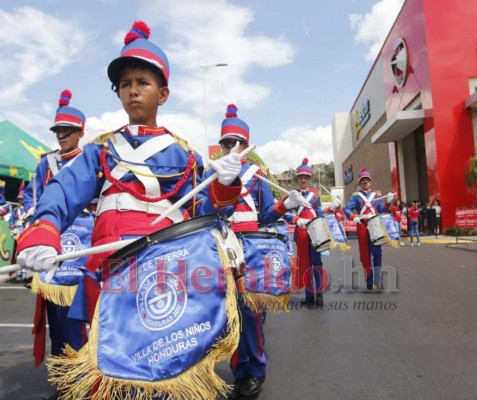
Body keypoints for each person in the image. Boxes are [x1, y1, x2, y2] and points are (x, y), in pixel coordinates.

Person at [16, 21, 243, 399]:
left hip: (165, 272)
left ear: (163, 93)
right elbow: (63, 192)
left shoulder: (184, 154)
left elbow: (208, 212)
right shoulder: (101, 151)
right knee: (110, 372)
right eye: (125, 84)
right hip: (110, 271)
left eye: (143, 82)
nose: (133, 91)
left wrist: (224, 183)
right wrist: (44, 232)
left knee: (163, 371)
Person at [215, 104, 301, 400]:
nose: (231, 148)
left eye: (236, 143)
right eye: (226, 143)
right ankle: (240, 370)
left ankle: (256, 371)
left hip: (251, 247)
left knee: (250, 313)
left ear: (246, 146)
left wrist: (284, 206)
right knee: (229, 314)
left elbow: (265, 214)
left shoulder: (258, 175)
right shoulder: (213, 172)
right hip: (223, 246)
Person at [21, 90, 89, 400]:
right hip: (53, 247)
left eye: (67, 131)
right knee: (57, 323)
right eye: (58, 131)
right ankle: (64, 382)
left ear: (80, 132)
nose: (61, 136)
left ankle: (84, 381)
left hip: (83, 251)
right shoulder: (45, 164)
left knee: (78, 321)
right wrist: (26, 224)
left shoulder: (91, 160)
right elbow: (30, 199)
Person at [283, 158, 327, 306]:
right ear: (298, 179)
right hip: (301, 231)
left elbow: (319, 211)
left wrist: (329, 211)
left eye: (305, 177)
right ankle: (309, 295)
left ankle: (319, 294)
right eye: (300, 177)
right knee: (305, 264)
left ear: (309, 178)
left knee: (317, 263)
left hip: (315, 231)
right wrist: (296, 220)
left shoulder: (316, 193)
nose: (303, 180)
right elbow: (285, 213)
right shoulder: (293, 194)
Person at [343, 167, 394, 290]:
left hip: (375, 226)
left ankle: (378, 279)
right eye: (362, 181)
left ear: (370, 182)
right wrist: (353, 217)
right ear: (360, 183)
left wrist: (388, 202)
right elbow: (346, 209)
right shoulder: (356, 197)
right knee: (365, 255)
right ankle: (369, 279)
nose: (365, 182)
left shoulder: (376, 196)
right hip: (362, 226)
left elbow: (382, 210)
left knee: (377, 253)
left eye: (367, 180)